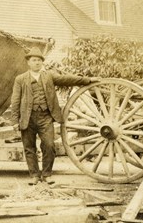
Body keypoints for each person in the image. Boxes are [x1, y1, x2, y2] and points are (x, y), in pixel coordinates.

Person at [10, 47, 100, 185]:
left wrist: (87, 80)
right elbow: (15, 101)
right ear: (28, 62)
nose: (37, 63)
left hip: (46, 117)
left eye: (39, 60)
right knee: (29, 148)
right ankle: (34, 176)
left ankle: (46, 174)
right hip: (27, 118)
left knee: (49, 145)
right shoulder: (20, 79)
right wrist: (15, 121)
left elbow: (67, 79)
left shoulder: (49, 76)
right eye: (34, 60)